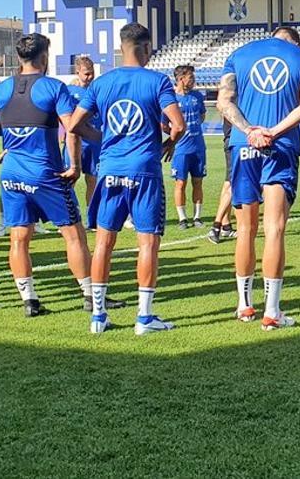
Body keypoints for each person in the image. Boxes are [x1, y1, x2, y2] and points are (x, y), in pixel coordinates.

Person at [0, 33, 104, 316]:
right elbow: (72, 128)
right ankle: (91, 297)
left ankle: (30, 301)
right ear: (44, 57)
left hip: (12, 173)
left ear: (19, 58)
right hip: (46, 173)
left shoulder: (1, 90)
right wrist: (75, 165)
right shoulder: (53, 88)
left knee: (19, 237)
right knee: (74, 234)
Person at [68, 23, 185, 335]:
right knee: (147, 242)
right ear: (146, 48)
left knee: (104, 242)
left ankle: (98, 316)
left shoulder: (101, 83)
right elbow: (178, 124)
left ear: (122, 48)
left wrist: (101, 139)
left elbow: (75, 124)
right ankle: (144, 318)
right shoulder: (158, 81)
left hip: (109, 171)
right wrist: (169, 143)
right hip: (144, 170)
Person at [217, 25, 300, 330]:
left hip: (242, 146)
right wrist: (273, 132)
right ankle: (272, 311)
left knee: (246, 229)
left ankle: (244, 306)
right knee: (274, 228)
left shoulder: (238, 55)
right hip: (281, 146)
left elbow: (224, 102)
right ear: (295, 42)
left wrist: (250, 130)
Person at [169, 64, 208, 230]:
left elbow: (202, 116)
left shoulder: (197, 96)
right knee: (180, 183)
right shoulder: (171, 99)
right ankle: (182, 218)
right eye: (190, 77)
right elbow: (164, 123)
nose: (193, 81)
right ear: (180, 79)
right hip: (181, 149)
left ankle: (197, 216)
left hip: (198, 147)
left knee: (198, 182)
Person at [65, 55, 100, 229]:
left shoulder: (97, 90)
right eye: (86, 73)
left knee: (92, 180)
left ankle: (91, 218)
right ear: (77, 72)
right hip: (75, 142)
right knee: (69, 179)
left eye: (92, 73)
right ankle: (70, 218)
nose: (90, 77)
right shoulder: (69, 91)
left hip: (93, 142)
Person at [206, 117, 239, 244]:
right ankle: (216, 226)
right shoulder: (235, 99)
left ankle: (225, 226)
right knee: (233, 184)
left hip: (235, 141)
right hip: (236, 142)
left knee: (229, 183)